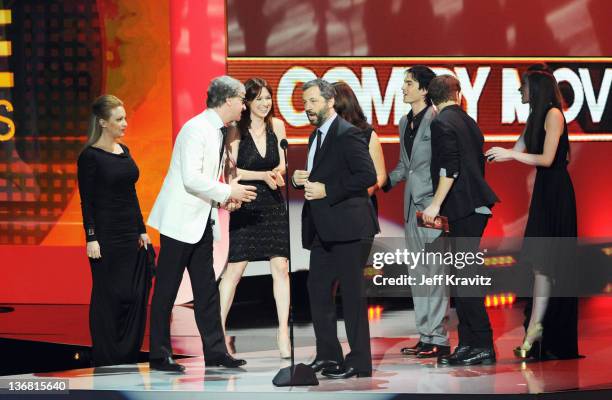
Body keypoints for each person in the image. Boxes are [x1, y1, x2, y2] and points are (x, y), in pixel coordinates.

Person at [147, 76, 257, 372]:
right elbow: (191, 179)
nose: (244, 107)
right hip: (179, 222)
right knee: (167, 290)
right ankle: (159, 354)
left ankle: (216, 353)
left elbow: (206, 180)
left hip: (201, 221)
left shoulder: (218, 130)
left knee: (207, 292)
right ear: (227, 100)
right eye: (242, 100)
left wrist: (224, 200)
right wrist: (227, 191)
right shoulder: (196, 129)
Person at [486, 70, 579, 360]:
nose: (520, 92)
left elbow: (547, 159)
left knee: (551, 264)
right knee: (541, 264)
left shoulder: (554, 115)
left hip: (557, 192)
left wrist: (512, 155)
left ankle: (541, 330)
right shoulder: (534, 118)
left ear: (536, 89)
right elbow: (515, 149)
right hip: (543, 192)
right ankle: (535, 329)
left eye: (523, 87)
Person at [292, 79, 378, 379]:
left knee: (353, 296)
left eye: (313, 102)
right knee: (317, 289)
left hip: (349, 228)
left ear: (330, 101)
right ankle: (328, 354)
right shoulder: (316, 136)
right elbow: (322, 174)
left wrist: (328, 190)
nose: (307, 109)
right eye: (305, 103)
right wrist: (300, 179)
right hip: (323, 229)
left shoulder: (348, 133)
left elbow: (367, 175)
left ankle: (359, 361)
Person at [422, 75, 500, 366]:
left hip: (462, 209)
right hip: (472, 208)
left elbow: (450, 169)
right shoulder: (468, 120)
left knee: (466, 281)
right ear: (457, 95)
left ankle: (482, 344)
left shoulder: (441, 123)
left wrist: (434, 205)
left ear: (431, 99)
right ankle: (469, 343)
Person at [77, 94, 152, 366]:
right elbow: (88, 201)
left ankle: (127, 353)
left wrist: (141, 230)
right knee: (108, 296)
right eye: (119, 119)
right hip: (105, 237)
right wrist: (91, 237)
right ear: (103, 123)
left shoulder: (125, 152)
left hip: (129, 235)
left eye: (125, 117)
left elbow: (130, 195)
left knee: (132, 294)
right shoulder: (89, 157)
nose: (125, 123)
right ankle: (106, 354)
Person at [382, 66, 451, 358]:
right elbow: (404, 165)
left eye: (408, 84)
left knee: (435, 276)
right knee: (418, 276)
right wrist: (381, 182)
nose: (403, 88)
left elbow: (445, 165)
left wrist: (436, 203)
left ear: (425, 89)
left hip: (433, 207)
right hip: (411, 208)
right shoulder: (403, 122)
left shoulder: (438, 120)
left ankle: (440, 338)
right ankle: (425, 335)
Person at [219, 78, 291, 359]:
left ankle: (283, 332)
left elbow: (283, 162)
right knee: (235, 270)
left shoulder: (278, 126)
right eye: (259, 98)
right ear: (247, 102)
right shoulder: (236, 130)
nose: (265, 103)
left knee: (281, 268)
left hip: (273, 204)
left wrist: (277, 172)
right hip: (246, 201)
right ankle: (217, 330)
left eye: (268, 97)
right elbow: (233, 170)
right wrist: (263, 175)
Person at [332, 81, 386, 214]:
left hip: (361, 207)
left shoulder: (367, 134)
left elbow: (381, 175)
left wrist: (368, 191)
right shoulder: (325, 133)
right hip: (332, 204)